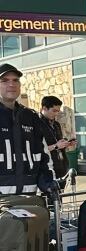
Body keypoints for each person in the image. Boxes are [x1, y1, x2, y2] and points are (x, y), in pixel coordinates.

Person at [0, 63, 55, 195]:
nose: (11, 84)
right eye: (4, 80)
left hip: (28, 200)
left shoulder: (31, 116)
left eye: (15, 80)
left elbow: (44, 157)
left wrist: (48, 184)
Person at [39, 96, 75, 183]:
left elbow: (58, 142)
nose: (56, 114)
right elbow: (37, 149)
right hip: (46, 169)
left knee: (61, 195)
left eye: (58, 111)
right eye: (54, 111)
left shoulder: (56, 124)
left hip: (61, 167)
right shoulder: (36, 124)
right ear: (44, 108)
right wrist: (56, 146)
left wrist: (67, 144)